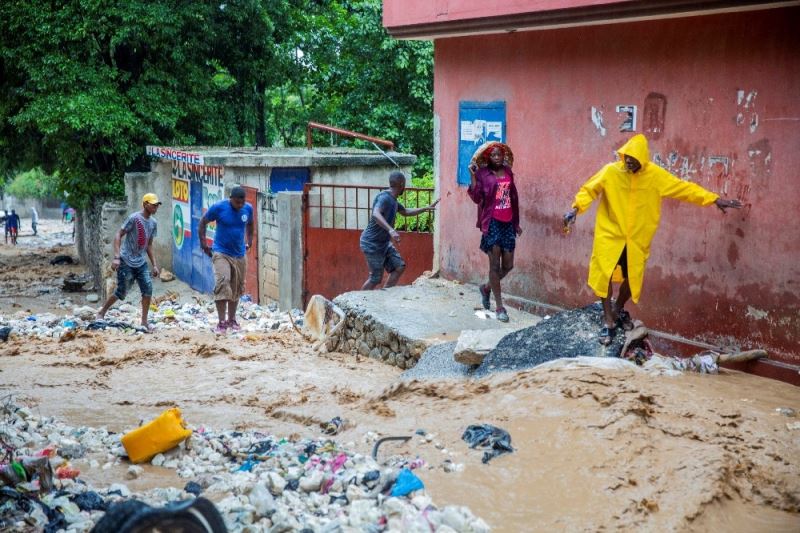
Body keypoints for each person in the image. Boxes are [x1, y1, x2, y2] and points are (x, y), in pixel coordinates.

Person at [563, 134, 742, 345]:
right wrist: (575, 209)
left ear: (643, 159)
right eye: (626, 157)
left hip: (637, 239)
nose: (628, 161)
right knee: (605, 274)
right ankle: (608, 320)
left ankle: (618, 307)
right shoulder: (611, 171)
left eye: (633, 158)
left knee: (632, 278)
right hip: (610, 235)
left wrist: (713, 199)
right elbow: (589, 189)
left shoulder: (655, 176)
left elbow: (683, 188)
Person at [467, 143, 522, 323]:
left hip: (508, 222)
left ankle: (486, 287)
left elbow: (513, 196)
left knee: (508, 265)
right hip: (491, 222)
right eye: (494, 155)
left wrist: (516, 223)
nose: (497, 158)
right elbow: (476, 198)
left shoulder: (507, 171)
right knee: (495, 266)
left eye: (500, 155)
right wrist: (473, 177)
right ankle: (499, 306)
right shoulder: (482, 174)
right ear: (488, 157)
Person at [359, 171, 439, 291]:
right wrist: (391, 230)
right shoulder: (384, 198)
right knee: (375, 278)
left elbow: (406, 212)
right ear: (402, 184)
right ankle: (361, 301)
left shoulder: (393, 200)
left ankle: (385, 293)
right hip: (371, 243)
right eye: (405, 184)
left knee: (399, 267)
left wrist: (426, 208)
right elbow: (376, 213)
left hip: (384, 243)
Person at [96, 193, 161, 330]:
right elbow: (118, 235)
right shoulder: (134, 218)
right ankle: (102, 312)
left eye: (157, 205)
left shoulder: (153, 223)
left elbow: (149, 244)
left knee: (147, 289)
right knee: (121, 292)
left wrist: (154, 264)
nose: (155, 207)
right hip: (126, 261)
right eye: (153, 204)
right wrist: (117, 257)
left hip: (140, 262)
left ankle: (144, 322)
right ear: (145, 204)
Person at [199, 186, 254, 333]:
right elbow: (202, 222)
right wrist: (203, 244)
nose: (240, 205)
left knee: (236, 287)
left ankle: (232, 320)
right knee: (223, 284)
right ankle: (221, 322)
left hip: (240, 254)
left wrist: (250, 240)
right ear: (231, 199)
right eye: (237, 202)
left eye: (242, 202)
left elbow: (250, 225)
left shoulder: (248, 209)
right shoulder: (219, 207)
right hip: (221, 252)